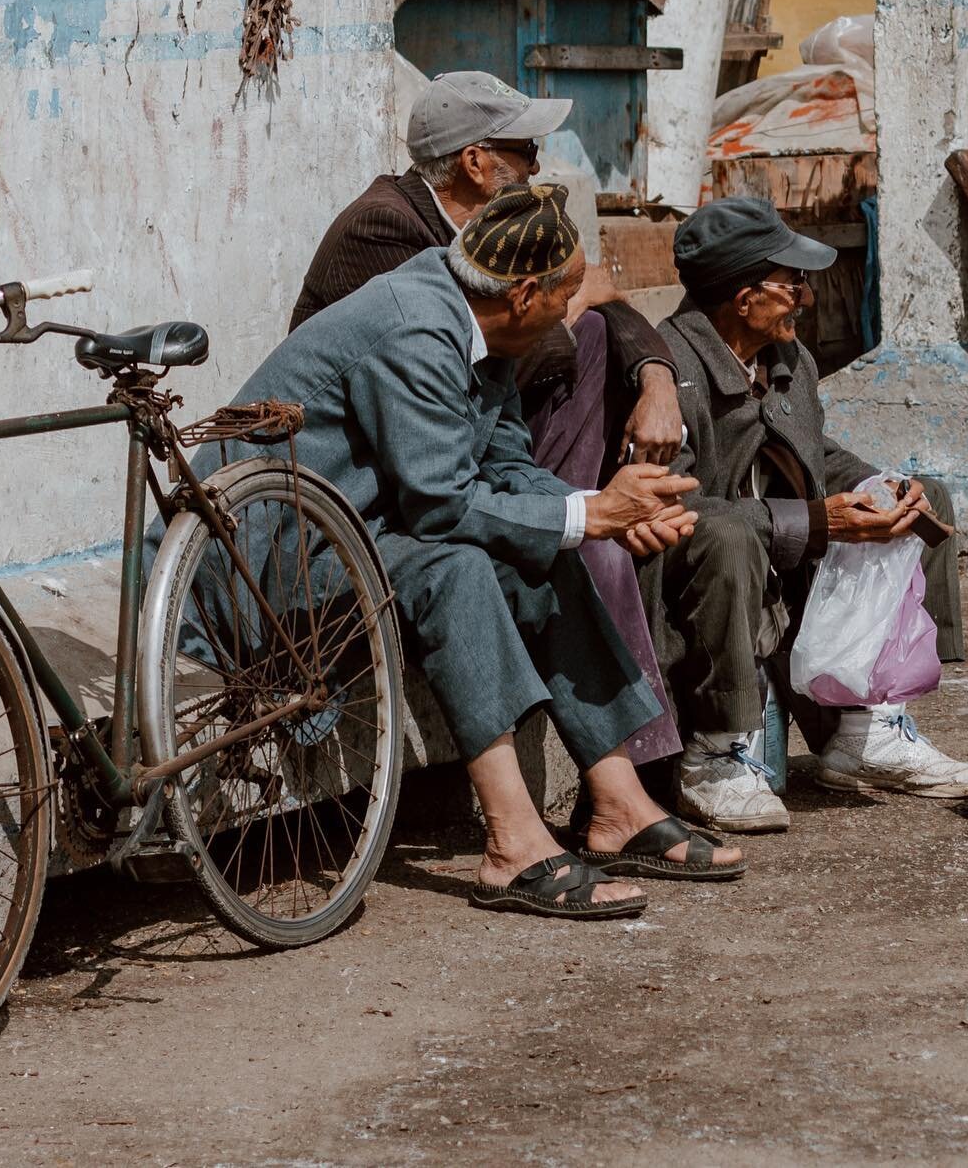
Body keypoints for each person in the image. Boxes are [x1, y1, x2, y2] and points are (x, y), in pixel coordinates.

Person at [206, 183, 744, 916]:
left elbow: (507, 464)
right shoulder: (418, 331)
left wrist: (605, 512)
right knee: (455, 566)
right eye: (564, 298)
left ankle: (618, 801)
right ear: (524, 294)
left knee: (549, 551)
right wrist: (586, 511)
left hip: (360, 532)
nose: (570, 311)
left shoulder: (476, 315)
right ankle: (512, 843)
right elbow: (442, 503)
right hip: (265, 569)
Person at [290, 70, 681, 767]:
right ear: (475, 161)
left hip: (445, 462)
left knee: (565, 537)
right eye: (527, 152)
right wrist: (586, 515)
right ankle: (535, 823)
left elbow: (576, 318)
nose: (538, 170)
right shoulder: (389, 234)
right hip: (364, 499)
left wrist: (653, 377)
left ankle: (621, 789)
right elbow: (455, 379)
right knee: (490, 558)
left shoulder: (491, 257)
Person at [643, 196, 968, 833]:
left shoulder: (789, 360)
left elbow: (815, 452)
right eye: (792, 281)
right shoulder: (671, 370)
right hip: (693, 570)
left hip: (778, 552)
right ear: (743, 298)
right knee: (729, 533)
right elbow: (671, 506)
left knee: (920, 498)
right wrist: (819, 522)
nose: (805, 294)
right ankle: (713, 752)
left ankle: (866, 728)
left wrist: (883, 488)